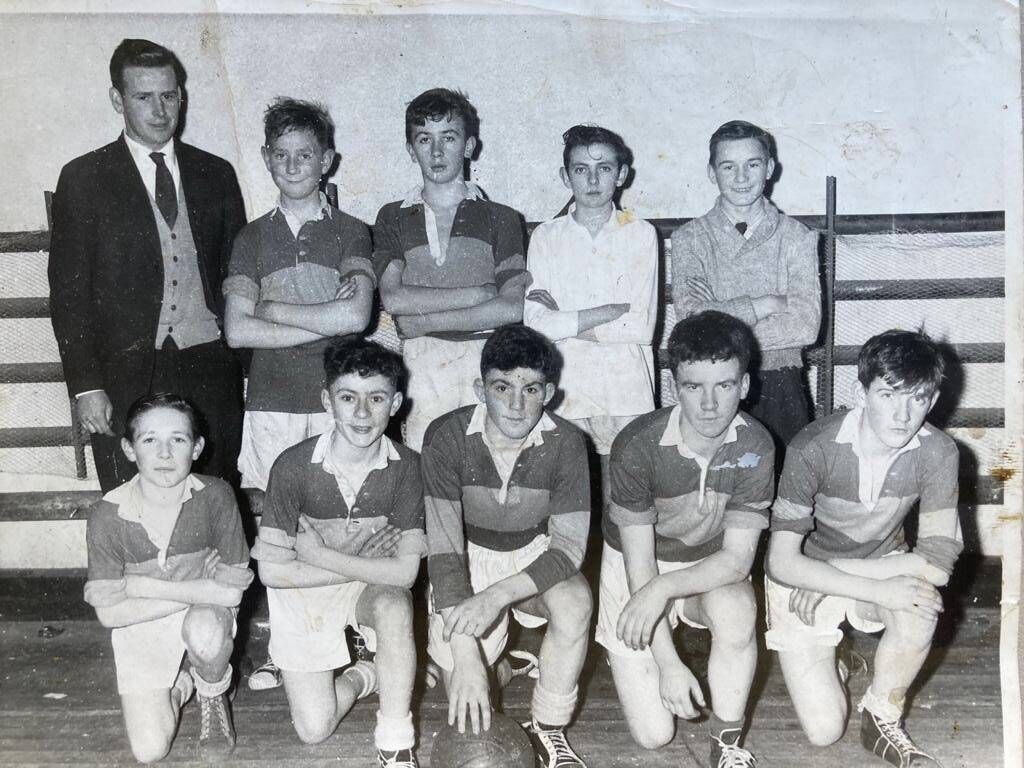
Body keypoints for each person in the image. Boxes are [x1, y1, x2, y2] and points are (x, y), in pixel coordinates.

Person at [48, 39, 246, 492]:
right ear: (117, 99)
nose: (160, 110)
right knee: (130, 508)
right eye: (143, 97)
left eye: (169, 96)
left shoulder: (216, 173)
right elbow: (69, 297)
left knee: (212, 502)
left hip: (209, 369)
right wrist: (86, 386)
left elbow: (238, 277)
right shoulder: (83, 178)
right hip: (124, 377)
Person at [766, 329, 961, 767]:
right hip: (803, 575)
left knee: (919, 603)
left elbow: (937, 566)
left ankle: (882, 716)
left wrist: (837, 574)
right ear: (861, 393)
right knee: (824, 731)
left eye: (917, 398)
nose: (903, 415)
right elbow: (781, 561)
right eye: (888, 395)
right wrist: (869, 587)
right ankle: (839, 658)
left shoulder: (939, 451)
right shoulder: (813, 447)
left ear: (932, 400)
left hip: (856, 567)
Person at [597, 311, 774, 768]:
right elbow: (641, 569)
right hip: (638, 568)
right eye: (695, 386)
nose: (710, 404)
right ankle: (639, 657)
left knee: (738, 609)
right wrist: (669, 663)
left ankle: (727, 743)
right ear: (675, 387)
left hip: (705, 569)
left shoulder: (757, 445)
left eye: (724, 385)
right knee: (655, 736)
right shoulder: (636, 445)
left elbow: (737, 562)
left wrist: (664, 589)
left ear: (745, 385)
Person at [422, 324, 592, 768]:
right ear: (481, 389)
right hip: (467, 558)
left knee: (575, 601)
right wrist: (465, 655)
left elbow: (568, 551)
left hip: (534, 557)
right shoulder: (446, 436)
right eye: (502, 387)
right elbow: (444, 550)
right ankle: (496, 665)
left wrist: (496, 597)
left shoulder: (568, 442)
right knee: (464, 689)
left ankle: (549, 727)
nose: (516, 405)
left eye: (530, 389)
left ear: (548, 393)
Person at [251, 335, 424, 768]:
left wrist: (316, 554)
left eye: (376, 398)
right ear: (327, 401)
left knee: (395, 607)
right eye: (348, 397)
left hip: (355, 584)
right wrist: (367, 565)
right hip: (303, 593)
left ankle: (396, 741)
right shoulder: (292, 465)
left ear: (396, 403)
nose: (362, 413)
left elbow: (404, 575)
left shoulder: (409, 468)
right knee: (314, 729)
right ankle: (368, 673)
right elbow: (272, 573)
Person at [223, 97, 374, 517]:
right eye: (281, 155)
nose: (291, 166)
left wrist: (272, 310)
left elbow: (357, 316)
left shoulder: (352, 231)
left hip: (337, 399)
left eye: (304, 155)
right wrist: (329, 320)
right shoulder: (250, 238)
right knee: (276, 516)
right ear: (265, 158)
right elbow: (237, 330)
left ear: (326, 161)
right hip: (270, 400)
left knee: (340, 510)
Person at [83, 393, 252, 762]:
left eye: (177, 439)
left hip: (195, 614)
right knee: (150, 750)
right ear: (129, 449)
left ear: (197, 447)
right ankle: (184, 683)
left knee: (206, 630)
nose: (164, 453)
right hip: (144, 622)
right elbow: (109, 614)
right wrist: (200, 589)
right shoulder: (106, 514)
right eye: (149, 440)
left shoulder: (216, 495)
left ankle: (212, 690)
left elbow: (231, 595)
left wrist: (142, 586)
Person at [373, 88, 528, 451]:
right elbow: (394, 298)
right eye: (425, 139)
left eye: (449, 137)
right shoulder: (392, 216)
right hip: (422, 363)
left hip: (487, 357)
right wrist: (480, 294)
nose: (437, 152)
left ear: (469, 145)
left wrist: (425, 321)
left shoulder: (502, 217)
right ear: (411, 149)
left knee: (489, 463)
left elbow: (513, 307)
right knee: (427, 461)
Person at [523, 123, 658, 508]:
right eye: (581, 169)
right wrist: (607, 313)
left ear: (622, 174)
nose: (593, 180)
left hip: (627, 394)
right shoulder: (546, 237)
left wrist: (564, 320)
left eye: (604, 168)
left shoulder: (641, 234)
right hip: (569, 392)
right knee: (570, 508)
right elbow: (536, 324)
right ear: (565, 176)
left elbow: (640, 327)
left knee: (625, 509)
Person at [670, 120, 820, 451]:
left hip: (780, 383)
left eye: (752, 164)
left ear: (770, 168)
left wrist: (717, 316)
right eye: (728, 166)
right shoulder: (689, 239)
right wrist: (765, 304)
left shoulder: (797, 237)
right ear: (712, 172)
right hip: (713, 386)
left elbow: (805, 326)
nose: (741, 177)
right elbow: (692, 322)